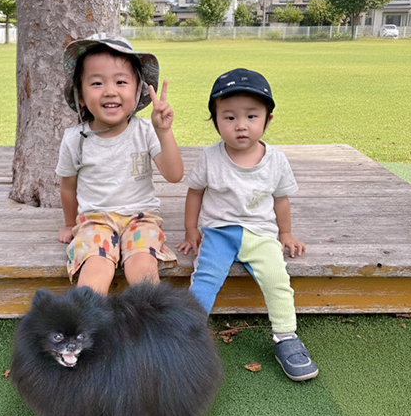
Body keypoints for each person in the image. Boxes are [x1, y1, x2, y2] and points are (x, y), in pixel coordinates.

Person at [176, 68, 318, 381]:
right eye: (229, 118)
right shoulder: (210, 158)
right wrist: (191, 230)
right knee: (204, 281)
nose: (241, 125)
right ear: (215, 121)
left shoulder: (276, 160)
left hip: (261, 234)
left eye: (251, 116)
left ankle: (286, 337)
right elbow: (195, 192)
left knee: (277, 278)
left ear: (267, 119)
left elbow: (280, 199)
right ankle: (187, 338)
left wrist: (286, 233)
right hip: (218, 234)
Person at [56, 33, 184, 295]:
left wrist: (164, 132)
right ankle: (87, 327)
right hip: (95, 220)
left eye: (121, 81)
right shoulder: (74, 140)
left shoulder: (146, 131)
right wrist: (70, 224)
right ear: (80, 96)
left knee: (142, 265)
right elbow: (68, 187)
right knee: (95, 266)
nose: (110, 91)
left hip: (141, 218)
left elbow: (174, 175)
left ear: (137, 91)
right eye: (96, 83)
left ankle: (151, 323)